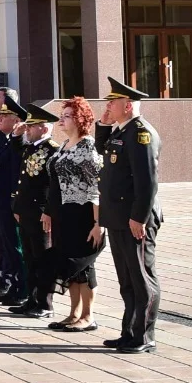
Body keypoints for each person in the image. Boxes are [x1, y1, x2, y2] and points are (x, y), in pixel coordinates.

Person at [97, 77, 162, 353]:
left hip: (135, 219)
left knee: (141, 277)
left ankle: (145, 336)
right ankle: (129, 331)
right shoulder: (121, 131)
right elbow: (104, 152)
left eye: (113, 102)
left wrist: (139, 217)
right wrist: (102, 125)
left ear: (128, 105)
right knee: (126, 280)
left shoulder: (140, 133)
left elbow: (147, 181)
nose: (108, 105)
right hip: (118, 216)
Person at [45, 95, 105, 332]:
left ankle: (88, 316)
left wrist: (99, 223)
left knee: (84, 265)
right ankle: (74, 313)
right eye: (62, 116)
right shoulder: (63, 145)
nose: (62, 121)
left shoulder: (88, 147)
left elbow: (97, 188)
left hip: (84, 215)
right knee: (69, 264)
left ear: (80, 119)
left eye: (67, 116)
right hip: (65, 214)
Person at [9, 101, 59, 320]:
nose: (27, 129)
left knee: (43, 258)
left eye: (31, 126)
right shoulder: (31, 147)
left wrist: (48, 211)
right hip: (26, 211)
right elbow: (22, 180)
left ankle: (45, 303)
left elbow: (52, 186)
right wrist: (18, 207)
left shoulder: (52, 150)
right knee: (29, 258)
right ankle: (32, 299)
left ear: (45, 128)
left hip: (41, 214)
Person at [0, 90, 25, 301]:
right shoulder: (1, 138)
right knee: (3, 243)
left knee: (14, 246)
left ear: (16, 120)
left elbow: (14, 170)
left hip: (8, 201)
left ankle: (20, 286)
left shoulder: (17, 141)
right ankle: (6, 279)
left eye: (3, 117)